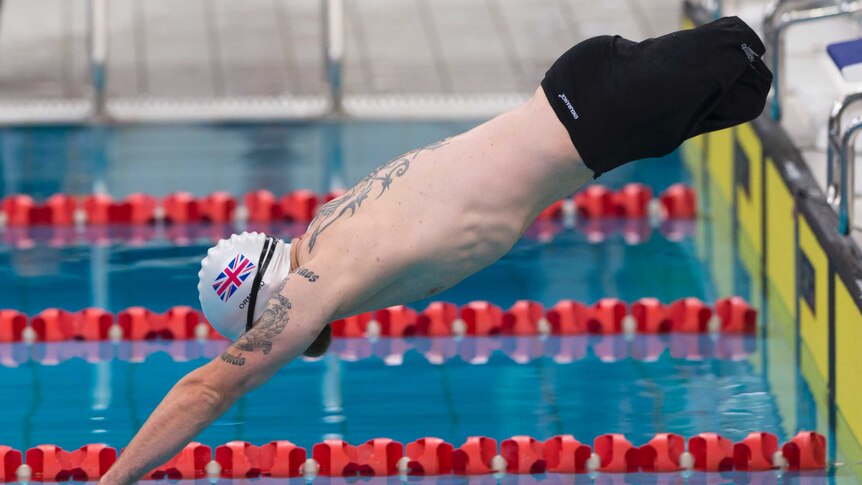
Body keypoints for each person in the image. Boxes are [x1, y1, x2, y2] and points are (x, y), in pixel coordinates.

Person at [99, 16, 771, 484]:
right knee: (753, 91)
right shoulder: (330, 227)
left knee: (745, 51)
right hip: (590, 111)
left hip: (595, 111)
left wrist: (113, 479)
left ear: (268, 306)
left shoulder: (318, 277)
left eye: (279, 336)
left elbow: (209, 387)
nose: (301, 343)